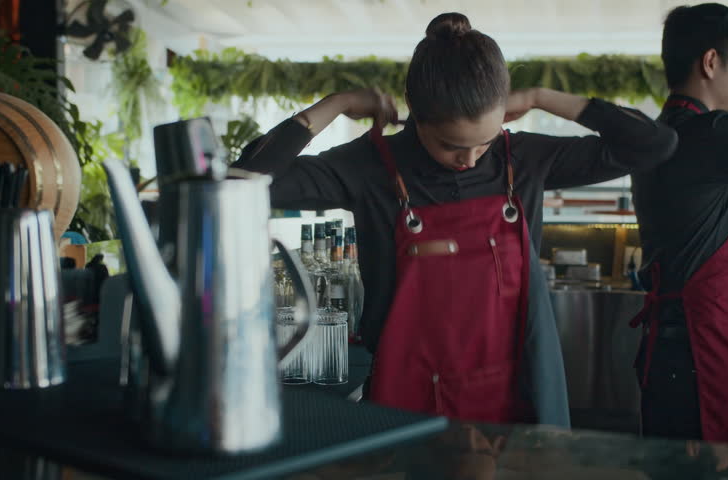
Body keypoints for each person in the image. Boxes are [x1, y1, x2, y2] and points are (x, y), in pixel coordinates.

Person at [235, 12, 677, 426]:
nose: (469, 159)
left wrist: (544, 97)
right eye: (450, 145)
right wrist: (336, 103)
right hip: (406, 398)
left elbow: (654, 144)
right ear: (414, 110)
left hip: (516, 395)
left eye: (484, 143)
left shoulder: (522, 159)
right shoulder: (371, 165)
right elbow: (245, 180)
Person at [630, 3, 728, 446]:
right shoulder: (711, 133)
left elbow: (707, 242)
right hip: (702, 352)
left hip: (669, 351)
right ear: (712, 62)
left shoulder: (661, 133)